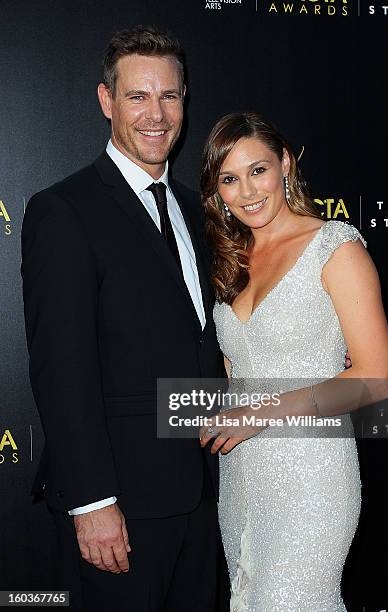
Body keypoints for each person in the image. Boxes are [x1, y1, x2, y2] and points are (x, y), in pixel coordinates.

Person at [21, 26, 226, 612]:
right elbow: (62, 368)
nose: (157, 115)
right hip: (121, 512)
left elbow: (203, 340)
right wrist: (92, 503)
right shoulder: (64, 211)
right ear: (107, 101)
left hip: (202, 498)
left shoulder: (196, 209)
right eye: (138, 97)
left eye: (171, 96)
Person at [199, 112, 388, 611]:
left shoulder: (336, 248)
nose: (247, 191)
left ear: (285, 163)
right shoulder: (229, 263)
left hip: (311, 477)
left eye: (258, 170)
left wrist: (258, 413)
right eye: (229, 178)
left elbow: (374, 378)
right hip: (243, 476)